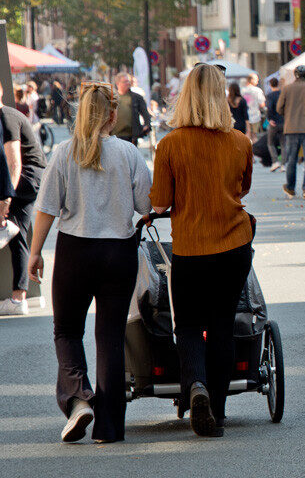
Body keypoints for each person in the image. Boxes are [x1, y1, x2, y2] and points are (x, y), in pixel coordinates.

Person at [30, 81, 151, 443]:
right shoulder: (128, 153)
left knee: (67, 330)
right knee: (110, 336)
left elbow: (47, 208)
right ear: (113, 116)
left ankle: (79, 398)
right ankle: (109, 428)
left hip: (75, 251)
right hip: (118, 252)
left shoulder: (65, 153)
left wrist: (35, 253)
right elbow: (146, 206)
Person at [150, 63, 254, 438]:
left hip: (191, 249)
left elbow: (160, 202)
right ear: (222, 94)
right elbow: (243, 189)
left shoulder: (171, 144)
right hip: (233, 244)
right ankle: (220, 412)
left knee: (189, 325)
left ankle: (196, 386)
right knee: (222, 324)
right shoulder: (240, 141)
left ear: (186, 95)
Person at [0, 83, 48, 316]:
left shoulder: (6, 117)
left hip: (26, 178)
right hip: (29, 177)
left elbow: (14, 162)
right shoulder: (7, 116)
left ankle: (19, 298)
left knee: (13, 231)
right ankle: (19, 297)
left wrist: (7, 197)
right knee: (16, 233)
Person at [277, 65, 305, 199]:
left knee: (291, 159)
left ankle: (290, 187)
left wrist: (289, 114)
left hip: (291, 128)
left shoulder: (287, 89)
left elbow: (279, 108)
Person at [112, 73, 152, 145]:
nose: (128, 83)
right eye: (125, 81)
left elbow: (145, 113)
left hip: (131, 136)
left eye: (128, 81)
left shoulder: (137, 97)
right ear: (118, 83)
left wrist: (147, 125)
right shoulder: (112, 98)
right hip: (115, 136)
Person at [264, 77, 284, 171]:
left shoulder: (270, 95)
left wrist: (269, 119)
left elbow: (269, 108)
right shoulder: (282, 94)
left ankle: (275, 162)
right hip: (283, 121)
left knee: (270, 142)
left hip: (274, 122)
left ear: (271, 85)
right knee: (283, 143)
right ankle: (283, 164)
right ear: (278, 84)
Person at [242, 73, 267, 141]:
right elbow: (262, 104)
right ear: (251, 80)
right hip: (255, 116)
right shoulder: (258, 90)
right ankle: (254, 150)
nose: (258, 81)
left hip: (244, 117)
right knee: (254, 135)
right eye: (256, 79)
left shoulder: (242, 90)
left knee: (247, 135)